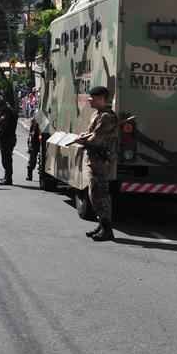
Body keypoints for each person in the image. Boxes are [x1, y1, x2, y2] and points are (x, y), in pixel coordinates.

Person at [69, 85, 119, 242]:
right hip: (94, 159)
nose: (89, 101)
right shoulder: (98, 115)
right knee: (94, 193)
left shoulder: (106, 117)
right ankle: (101, 225)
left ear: (101, 99)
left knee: (99, 194)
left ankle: (107, 229)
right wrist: (84, 136)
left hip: (100, 161)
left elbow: (96, 140)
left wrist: (81, 140)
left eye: (92, 98)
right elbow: (92, 134)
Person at [0, 93, 19, 185]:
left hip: (7, 138)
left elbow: (3, 125)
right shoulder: (9, 111)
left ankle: (8, 178)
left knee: (6, 159)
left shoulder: (6, 113)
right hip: (9, 138)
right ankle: (7, 177)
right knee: (7, 158)